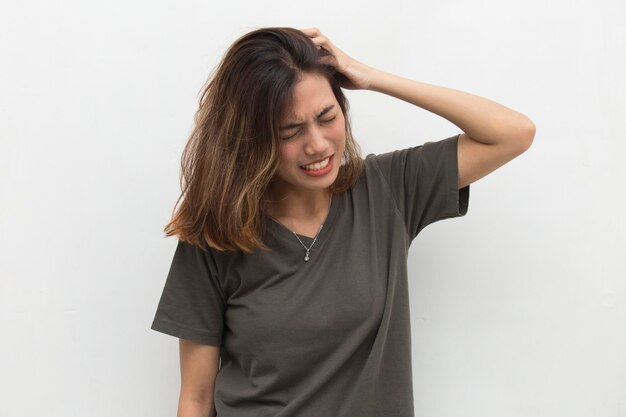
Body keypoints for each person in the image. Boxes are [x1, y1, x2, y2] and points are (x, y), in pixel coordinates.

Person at [151, 27, 535, 417]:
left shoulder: (389, 190)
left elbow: (512, 133)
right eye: (290, 131)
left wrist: (372, 77)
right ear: (252, 140)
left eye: (326, 116)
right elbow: (196, 399)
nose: (317, 144)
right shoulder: (217, 233)